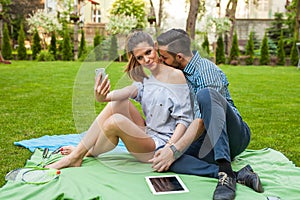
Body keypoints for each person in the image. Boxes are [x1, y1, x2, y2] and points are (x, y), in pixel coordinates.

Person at [46, 31, 193, 169]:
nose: (146, 60)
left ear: (155, 47)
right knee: (117, 102)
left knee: (115, 122)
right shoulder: (147, 78)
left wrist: (170, 149)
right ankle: (80, 152)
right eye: (140, 57)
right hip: (148, 133)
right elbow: (126, 92)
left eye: (148, 52)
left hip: (158, 146)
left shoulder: (176, 76)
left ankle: (78, 155)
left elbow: (184, 120)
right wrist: (103, 97)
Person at [150, 29, 263, 200]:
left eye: (164, 57)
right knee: (167, 159)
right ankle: (237, 174)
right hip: (206, 139)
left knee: (206, 95)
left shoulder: (206, 71)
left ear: (179, 57)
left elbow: (201, 121)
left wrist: (174, 149)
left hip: (234, 135)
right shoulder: (180, 75)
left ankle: (225, 174)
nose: (161, 60)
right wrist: (171, 151)